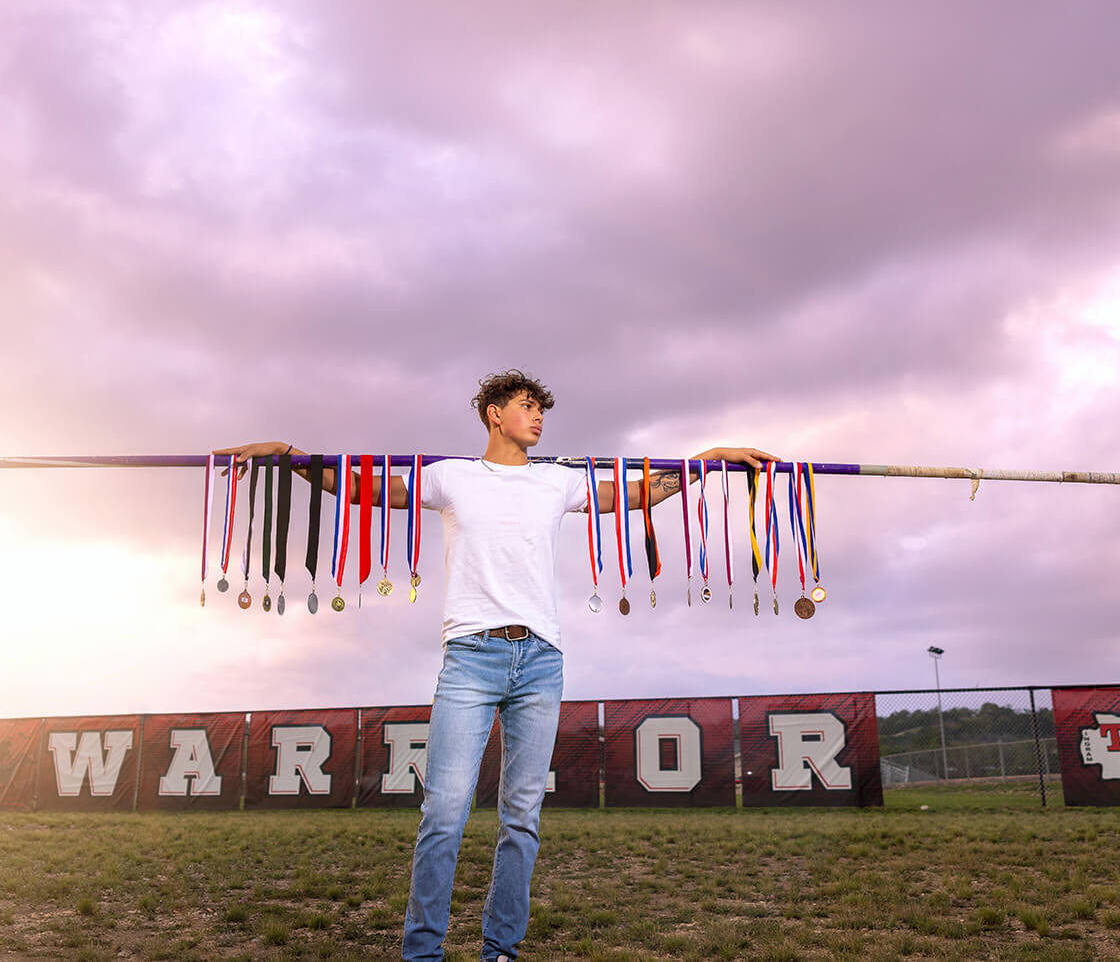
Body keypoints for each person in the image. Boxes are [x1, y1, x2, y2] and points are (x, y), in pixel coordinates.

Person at [216, 369, 776, 962]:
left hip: (540, 660)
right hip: (472, 658)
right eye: (528, 405)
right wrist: (289, 456)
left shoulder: (557, 483)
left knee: (522, 819)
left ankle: (500, 949)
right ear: (494, 414)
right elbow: (364, 491)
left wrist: (711, 459)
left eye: (542, 409)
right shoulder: (451, 478)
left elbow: (639, 495)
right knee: (444, 813)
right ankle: (422, 953)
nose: (538, 417)